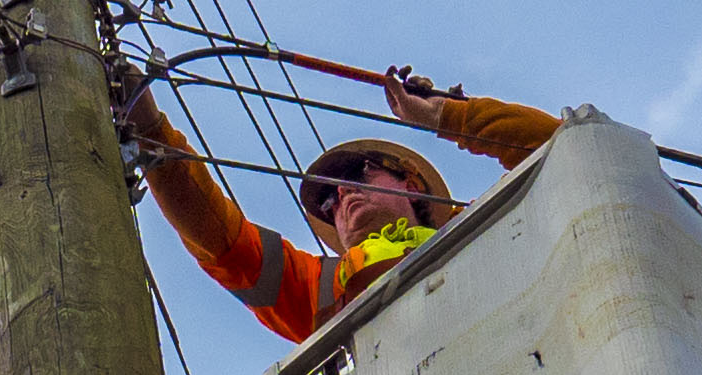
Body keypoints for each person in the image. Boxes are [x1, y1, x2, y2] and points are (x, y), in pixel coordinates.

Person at [127, 66, 560, 341]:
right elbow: (222, 241)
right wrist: (150, 131)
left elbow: (560, 146)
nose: (343, 194)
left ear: (411, 184)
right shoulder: (317, 285)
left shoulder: (479, 226)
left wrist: (446, 116)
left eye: (359, 174)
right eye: (329, 198)